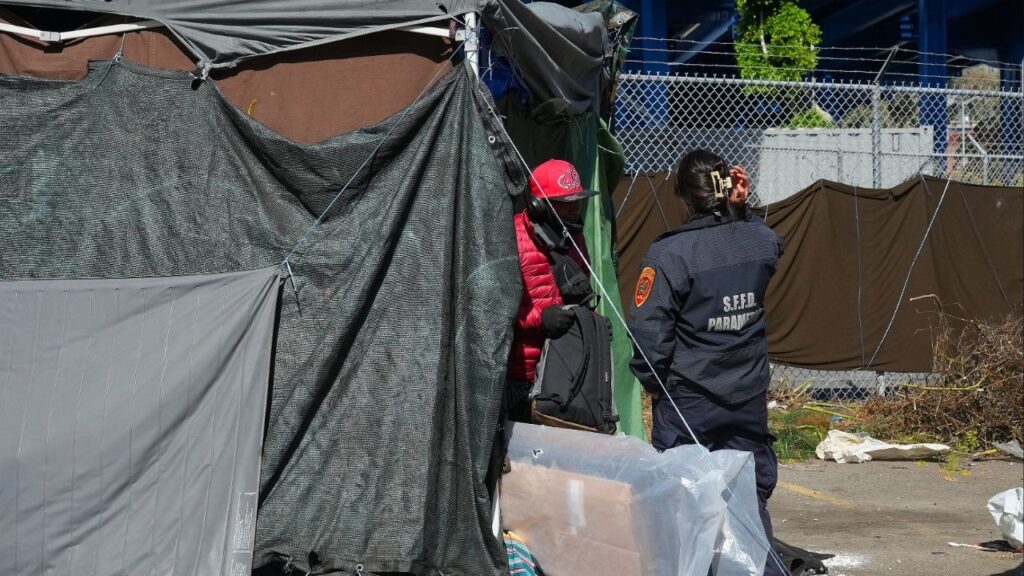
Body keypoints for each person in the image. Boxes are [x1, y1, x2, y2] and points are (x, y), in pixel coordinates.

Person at [627, 149, 785, 576]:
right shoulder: (757, 239)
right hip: (748, 393)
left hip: (689, 397)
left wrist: (654, 383)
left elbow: (648, 333)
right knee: (748, 493)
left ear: (684, 197)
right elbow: (769, 242)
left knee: (682, 495)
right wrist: (741, 211)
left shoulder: (671, 255)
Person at [505, 158, 596, 422]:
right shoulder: (510, 238)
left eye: (577, 201)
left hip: (562, 368)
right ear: (538, 205)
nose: (575, 209)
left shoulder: (573, 237)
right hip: (519, 376)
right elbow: (492, 310)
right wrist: (539, 320)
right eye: (565, 204)